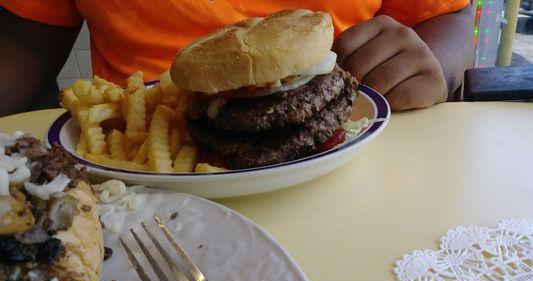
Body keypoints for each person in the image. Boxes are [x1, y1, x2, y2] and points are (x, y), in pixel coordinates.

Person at [0, 1, 473, 116]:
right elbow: (23, 43)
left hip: (354, 139)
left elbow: (446, 17)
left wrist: (425, 64)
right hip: (144, 186)